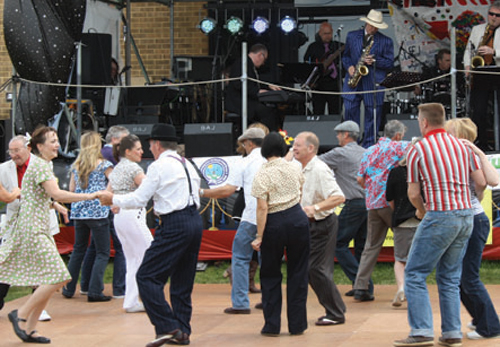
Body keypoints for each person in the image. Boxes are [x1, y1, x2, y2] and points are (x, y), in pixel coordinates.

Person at [98, 123, 203, 347]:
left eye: (149, 145)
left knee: (147, 276)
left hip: (175, 223)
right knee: (182, 282)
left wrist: (112, 199)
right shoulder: (188, 163)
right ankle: (182, 331)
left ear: (156, 144)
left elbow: (139, 199)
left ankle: (168, 327)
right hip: (194, 221)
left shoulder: (159, 166)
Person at [394, 103, 485, 347]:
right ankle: (452, 332)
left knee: (414, 273)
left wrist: (423, 212)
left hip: (440, 214)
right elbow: (480, 182)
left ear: (423, 123)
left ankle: (422, 330)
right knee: (449, 277)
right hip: (467, 215)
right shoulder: (463, 146)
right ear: (443, 121)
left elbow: (413, 193)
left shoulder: (418, 149)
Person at [0, 126, 99, 343]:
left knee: (50, 278)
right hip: (34, 230)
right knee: (59, 277)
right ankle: (21, 314)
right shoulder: (40, 166)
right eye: (52, 141)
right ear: (39, 146)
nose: (57, 145)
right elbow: (56, 193)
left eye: (57, 140)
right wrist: (90, 196)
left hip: (36, 228)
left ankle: (30, 329)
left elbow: (42, 196)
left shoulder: (39, 164)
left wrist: (58, 207)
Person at [0, 135, 68, 321]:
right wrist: (15, 193)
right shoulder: (3, 169)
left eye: (17, 150)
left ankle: (36, 310)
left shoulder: (42, 165)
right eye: (10, 151)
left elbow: (46, 193)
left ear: (28, 148)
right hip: (14, 224)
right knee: (5, 262)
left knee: (45, 266)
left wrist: (55, 204)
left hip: (38, 224)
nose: (13, 155)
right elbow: (7, 197)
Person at [444, 117, 500, 340]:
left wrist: (478, 153)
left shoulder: (468, 153)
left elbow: (490, 181)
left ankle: (490, 326)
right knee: (457, 277)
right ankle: (480, 319)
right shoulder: (463, 153)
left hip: (472, 219)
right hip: (469, 217)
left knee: (467, 277)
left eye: (448, 131)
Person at [201, 127, 266, 314]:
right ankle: (269, 298)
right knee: (268, 259)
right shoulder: (273, 161)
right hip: (272, 215)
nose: (243, 147)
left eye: (244, 143)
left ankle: (240, 302)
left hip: (252, 216)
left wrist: (202, 192)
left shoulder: (245, 162)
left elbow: (227, 190)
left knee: (240, 257)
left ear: (250, 143)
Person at [251, 132, 310, 337]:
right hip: (297, 217)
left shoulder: (262, 173)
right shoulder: (294, 167)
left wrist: (259, 235)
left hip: (274, 222)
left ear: (264, 151)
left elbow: (261, 207)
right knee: (298, 271)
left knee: (270, 273)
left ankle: (272, 325)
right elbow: (301, 189)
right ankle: (297, 325)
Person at [293, 131, 346, 326]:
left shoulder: (319, 169)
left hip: (322, 224)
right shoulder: (302, 167)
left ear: (311, 148)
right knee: (313, 269)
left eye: (298, 145)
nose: (294, 148)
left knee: (315, 269)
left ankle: (336, 313)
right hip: (310, 225)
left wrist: (314, 208)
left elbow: (338, 197)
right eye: (293, 145)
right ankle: (336, 309)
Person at [353, 120, 408, 302]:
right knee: (404, 246)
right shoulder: (400, 147)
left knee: (371, 246)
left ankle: (360, 287)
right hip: (392, 203)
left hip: (372, 204)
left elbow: (360, 179)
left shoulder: (369, 151)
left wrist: (372, 188)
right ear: (398, 135)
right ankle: (406, 286)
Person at [318, 121, 372, 297]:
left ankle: (361, 285)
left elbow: (315, 163)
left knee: (337, 243)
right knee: (361, 246)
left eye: (339, 134)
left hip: (354, 203)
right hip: (368, 203)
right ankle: (364, 287)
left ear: (346, 135)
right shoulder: (365, 152)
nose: (337, 137)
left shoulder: (340, 153)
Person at [62, 131, 114, 302]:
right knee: (102, 252)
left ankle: (68, 288)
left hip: (79, 210)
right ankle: (94, 290)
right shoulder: (104, 164)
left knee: (78, 249)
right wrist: (106, 194)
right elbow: (115, 181)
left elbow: (71, 189)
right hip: (98, 210)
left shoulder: (77, 165)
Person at [108, 134, 152, 313]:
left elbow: (108, 192)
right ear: (128, 151)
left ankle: (132, 301)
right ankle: (147, 297)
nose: (142, 152)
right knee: (148, 254)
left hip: (121, 217)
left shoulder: (117, 168)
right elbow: (148, 187)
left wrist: (114, 204)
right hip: (132, 214)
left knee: (133, 259)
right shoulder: (134, 168)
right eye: (138, 149)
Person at [342, 9, 394, 148]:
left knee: (373, 114)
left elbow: (390, 63)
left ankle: (369, 146)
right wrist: (350, 68)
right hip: (353, 81)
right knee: (350, 111)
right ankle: (351, 144)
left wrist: (375, 61)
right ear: (366, 23)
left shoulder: (386, 41)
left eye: (376, 26)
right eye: (371, 25)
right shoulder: (352, 36)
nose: (373, 28)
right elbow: (345, 56)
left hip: (373, 82)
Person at [385, 138, 420, 307]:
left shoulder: (395, 172)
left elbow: (389, 199)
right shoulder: (427, 172)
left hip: (401, 220)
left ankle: (401, 287)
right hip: (423, 219)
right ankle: (415, 291)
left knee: (400, 259)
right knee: (419, 259)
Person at [463, 0, 500, 151]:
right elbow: (468, 49)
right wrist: (467, 65)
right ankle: (481, 143)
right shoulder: (478, 29)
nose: (493, 17)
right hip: (481, 73)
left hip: (498, 70)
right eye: (491, 14)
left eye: (497, 15)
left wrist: (495, 52)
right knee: (478, 110)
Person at [225, 43, 282, 132]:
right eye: (264, 59)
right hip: (238, 102)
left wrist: (267, 86)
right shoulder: (242, 63)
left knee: (267, 109)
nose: (263, 63)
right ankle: (268, 136)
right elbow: (238, 84)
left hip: (246, 100)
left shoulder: (248, 64)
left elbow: (252, 82)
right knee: (266, 112)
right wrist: (257, 92)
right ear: (260, 55)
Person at [303, 21, 342, 115]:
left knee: (335, 113)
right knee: (318, 112)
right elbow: (306, 63)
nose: (327, 36)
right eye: (325, 34)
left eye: (329, 33)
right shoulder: (313, 47)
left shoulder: (338, 46)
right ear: (319, 33)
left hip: (334, 84)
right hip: (318, 84)